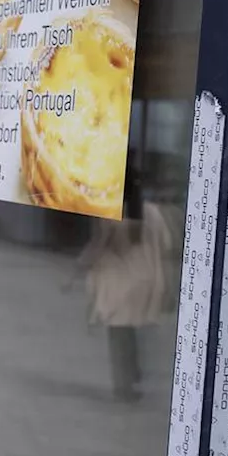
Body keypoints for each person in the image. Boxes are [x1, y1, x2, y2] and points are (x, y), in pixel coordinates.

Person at [77, 168, 174, 402]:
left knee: (118, 334)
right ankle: (133, 377)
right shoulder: (153, 213)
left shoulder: (112, 212)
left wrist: (80, 267)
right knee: (128, 331)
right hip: (148, 280)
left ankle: (124, 386)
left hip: (121, 282)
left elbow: (101, 245)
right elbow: (167, 248)